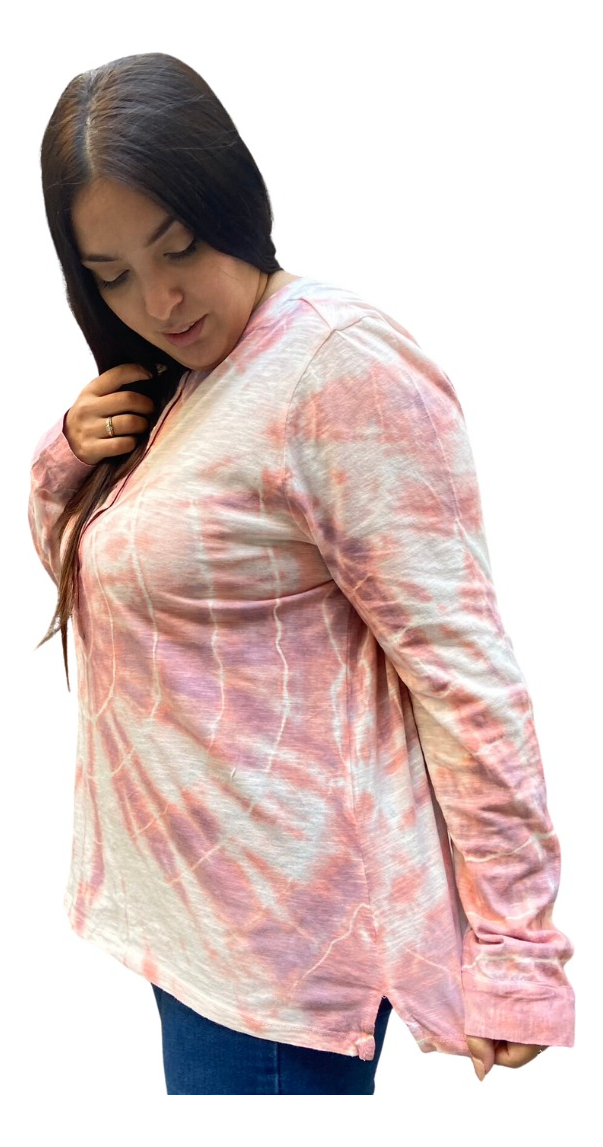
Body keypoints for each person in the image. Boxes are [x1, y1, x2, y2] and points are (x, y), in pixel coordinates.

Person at [29, 52, 574, 1095]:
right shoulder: (184, 379)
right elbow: (122, 580)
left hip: (280, 962)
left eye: (178, 247)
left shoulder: (336, 367)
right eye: (112, 275)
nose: (159, 299)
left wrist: (517, 946)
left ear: (233, 202)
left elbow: (462, 671)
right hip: (198, 928)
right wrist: (67, 451)